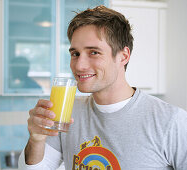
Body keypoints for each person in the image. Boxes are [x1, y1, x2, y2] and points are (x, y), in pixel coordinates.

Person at [18, 5, 187, 170]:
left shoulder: (171, 121)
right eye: (75, 54)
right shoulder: (67, 112)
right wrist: (36, 139)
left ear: (123, 56)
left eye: (94, 52)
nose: (79, 65)